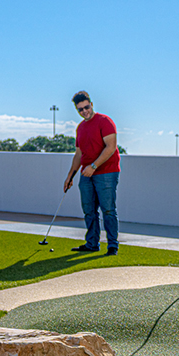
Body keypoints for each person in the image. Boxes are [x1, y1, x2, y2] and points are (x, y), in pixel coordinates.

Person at [64, 91, 120, 255]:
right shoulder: (80, 128)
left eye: (86, 107)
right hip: (86, 174)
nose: (84, 111)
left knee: (108, 210)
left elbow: (111, 147)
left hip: (106, 172)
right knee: (89, 210)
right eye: (80, 109)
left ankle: (112, 246)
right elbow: (79, 154)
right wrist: (70, 176)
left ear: (92, 105)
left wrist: (94, 166)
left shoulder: (105, 121)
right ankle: (92, 244)